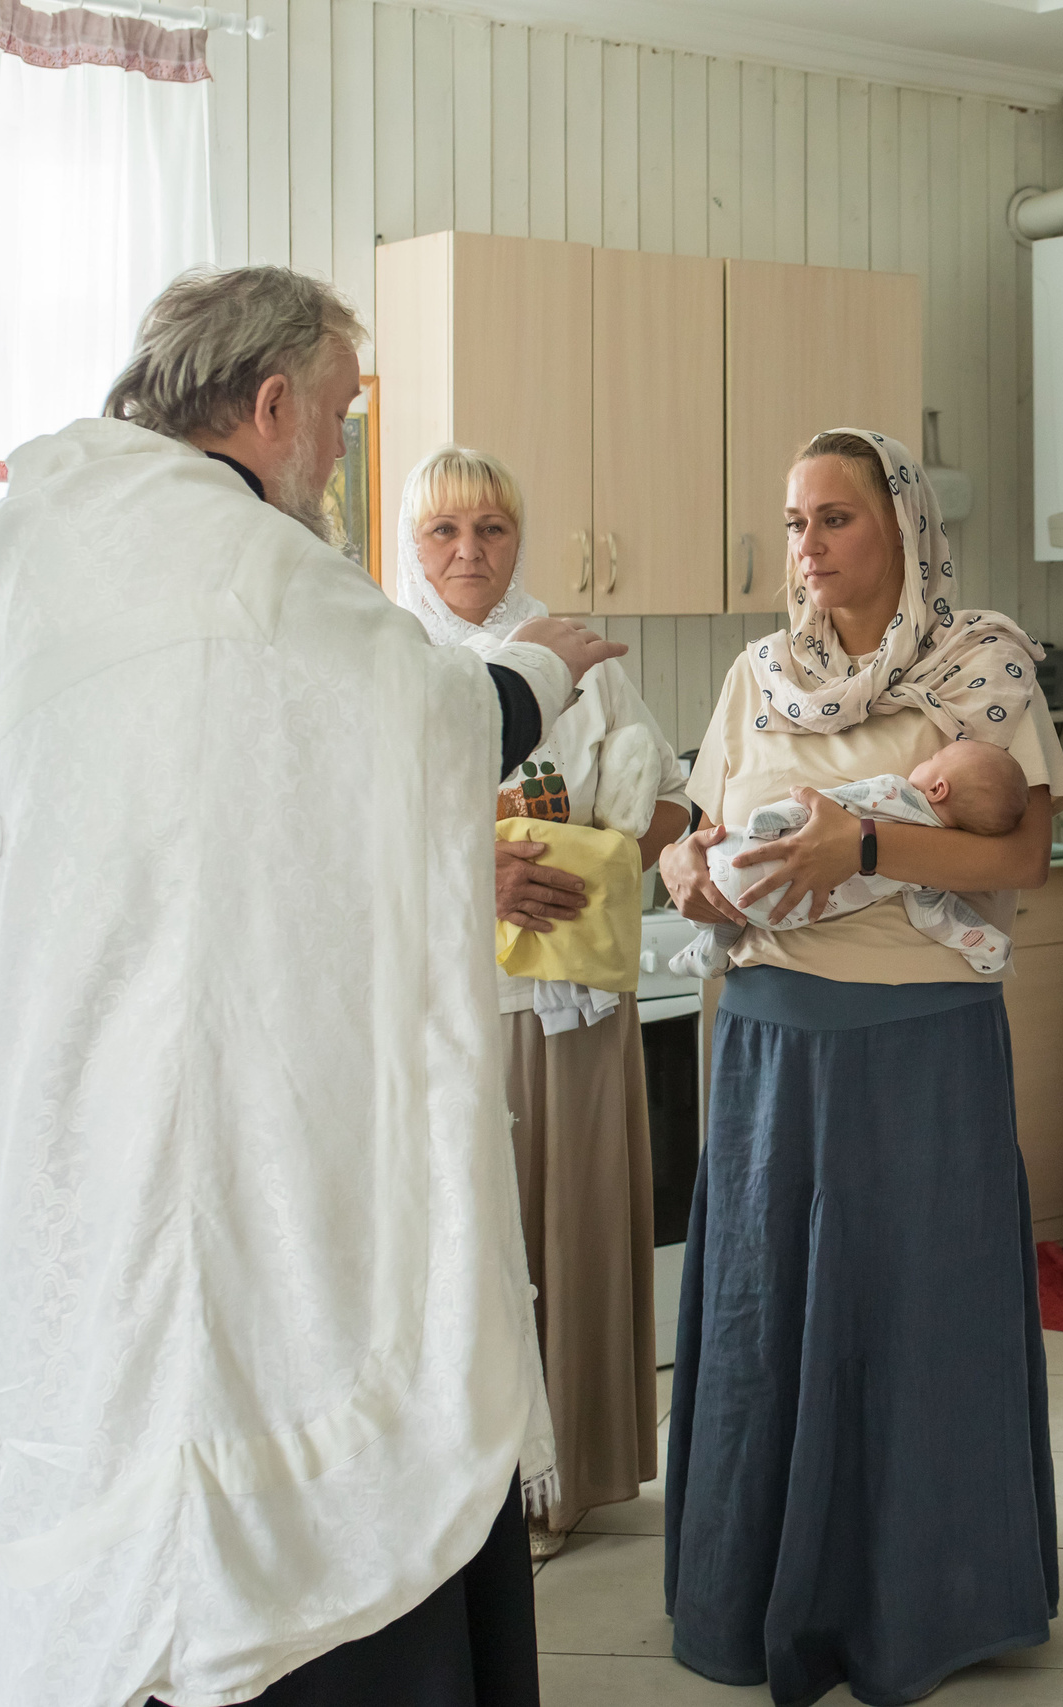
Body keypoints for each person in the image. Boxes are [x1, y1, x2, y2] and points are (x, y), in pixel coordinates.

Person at [0, 265, 626, 1707]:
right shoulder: (239, 561)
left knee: (138, 1379)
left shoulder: (60, 551)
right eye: (336, 413)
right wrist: (543, 666)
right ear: (269, 406)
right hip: (239, 1107)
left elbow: (253, 827)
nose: (338, 451)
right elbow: (424, 718)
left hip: (93, 1091)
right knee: (268, 1376)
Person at [656, 429, 1063, 1706]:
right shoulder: (756, 675)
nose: (809, 548)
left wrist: (869, 856)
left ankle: (930, 1600)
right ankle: (764, 1587)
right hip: (773, 1036)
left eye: (834, 519)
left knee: (918, 1322)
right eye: (793, 524)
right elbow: (700, 831)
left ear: (901, 525)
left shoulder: (982, 663)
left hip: (919, 1039)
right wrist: (685, 872)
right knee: (766, 1319)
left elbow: (1016, 862)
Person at [393, 444, 692, 1558]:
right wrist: (473, 865)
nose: (468, 552)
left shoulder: (576, 655)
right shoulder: (392, 655)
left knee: (575, 1221)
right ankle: (484, 1490)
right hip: (458, 999)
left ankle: (574, 1479)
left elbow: (666, 795)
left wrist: (595, 854)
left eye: (492, 530)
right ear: (411, 546)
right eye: (443, 532)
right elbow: (346, 834)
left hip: (579, 986)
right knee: (483, 1236)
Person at [672, 739, 1028, 978]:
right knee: (741, 911)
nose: (924, 761)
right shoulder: (930, 868)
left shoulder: (896, 791)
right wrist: (986, 944)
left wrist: (774, 817)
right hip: (790, 914)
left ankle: (708, 941)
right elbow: (931, 918)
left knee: (728, 885)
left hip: (746, 852)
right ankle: (713, 950)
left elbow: (831, 802)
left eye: (932, 760)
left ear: (938, 788)